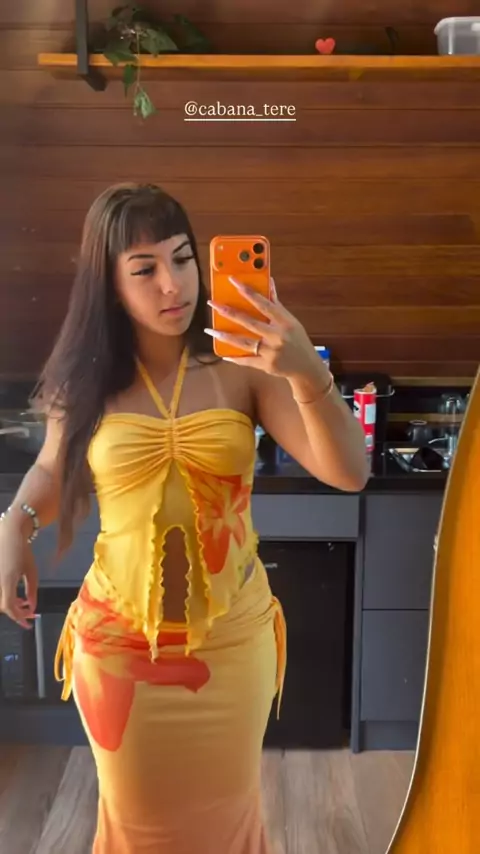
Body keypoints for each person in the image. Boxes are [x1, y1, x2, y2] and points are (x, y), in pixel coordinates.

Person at [0, 183, 369, 854]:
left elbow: (349, 472)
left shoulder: (243, 367)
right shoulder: (85, 379)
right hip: (118, 646)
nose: (173, 285)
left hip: (232, 645)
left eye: (182, 258)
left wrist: (304, 373)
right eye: (145, 269)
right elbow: (51, 471)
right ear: (111, 285)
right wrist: (13, 523)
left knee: (231, 823)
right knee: (136, 829)